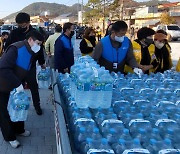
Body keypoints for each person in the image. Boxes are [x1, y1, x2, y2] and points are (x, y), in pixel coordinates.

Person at [0, 30, 44, 148]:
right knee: (3, 112)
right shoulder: (15, 48)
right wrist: (17, 83)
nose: (38, 47)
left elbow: (26, 68)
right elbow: (3, 68)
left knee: (18, 106)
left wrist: (24, 83)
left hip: (15, 85)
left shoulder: (31, 51)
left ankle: (19, 130)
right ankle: (10, 137)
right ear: (30, 40)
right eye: (38, 43)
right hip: (3, 84)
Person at [5, 12, 45, 115]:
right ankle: (17, 105)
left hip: (30, 66)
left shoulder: (35, 33)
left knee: (33, 87)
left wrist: (42, 62)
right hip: (17, 67)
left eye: (22, 25)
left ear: (28, 23)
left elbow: (40, 50)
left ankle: (37, 106)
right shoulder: (14, 33)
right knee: (17, 88)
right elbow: (7, 48)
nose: (21, 27)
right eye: (19, 25)